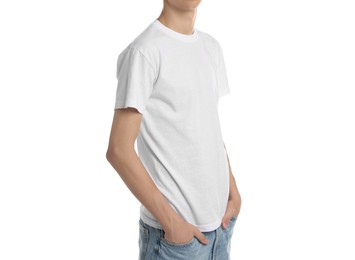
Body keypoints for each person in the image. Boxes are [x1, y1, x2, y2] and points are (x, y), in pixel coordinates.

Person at [106, 0, 242, 259]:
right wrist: (171, 223)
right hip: (175, 243)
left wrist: (233, 193)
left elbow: (208, 128)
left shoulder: (211, 48)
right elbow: (118, 150)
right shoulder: (144, 52)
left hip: (221, 229)